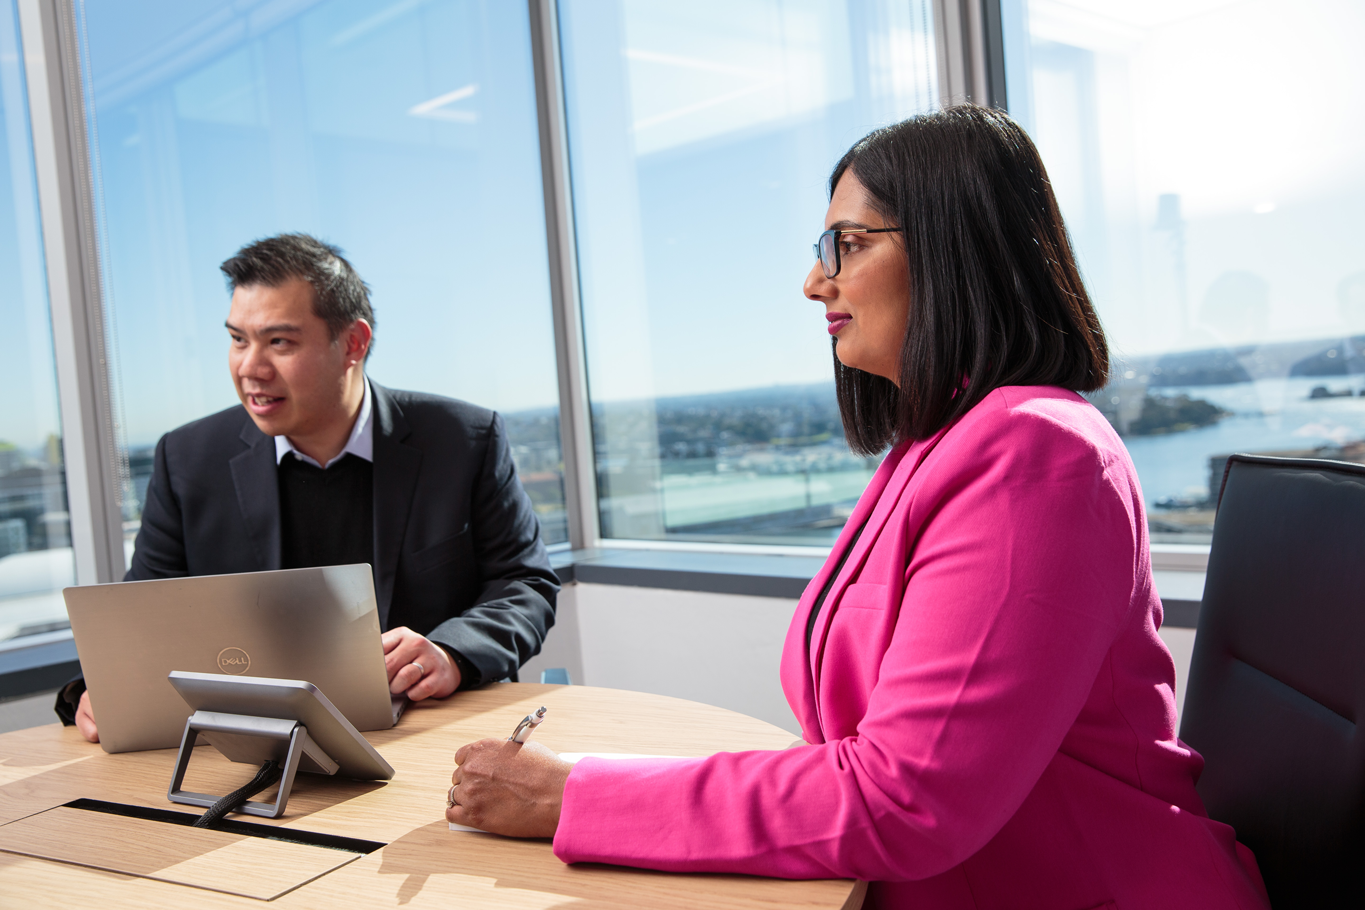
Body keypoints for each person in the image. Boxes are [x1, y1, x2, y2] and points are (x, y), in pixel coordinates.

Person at [440, 107, 1271, 909]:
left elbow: (903, 796)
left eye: (850, 242)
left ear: (954, 250)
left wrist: (574, 798)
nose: (814, 281)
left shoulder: (1035, 454)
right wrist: (592, 782)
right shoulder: (932, 445)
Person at [56, 233, 558, 741]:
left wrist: (451, 652)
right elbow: (144, 615)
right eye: (237, 339)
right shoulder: (187, 458)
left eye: (279, 342)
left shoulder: (463, 440)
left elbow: (525, 585)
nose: (250, 367)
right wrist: (100, 688)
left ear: (353, 344)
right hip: (254, 745)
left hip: (436, 734)